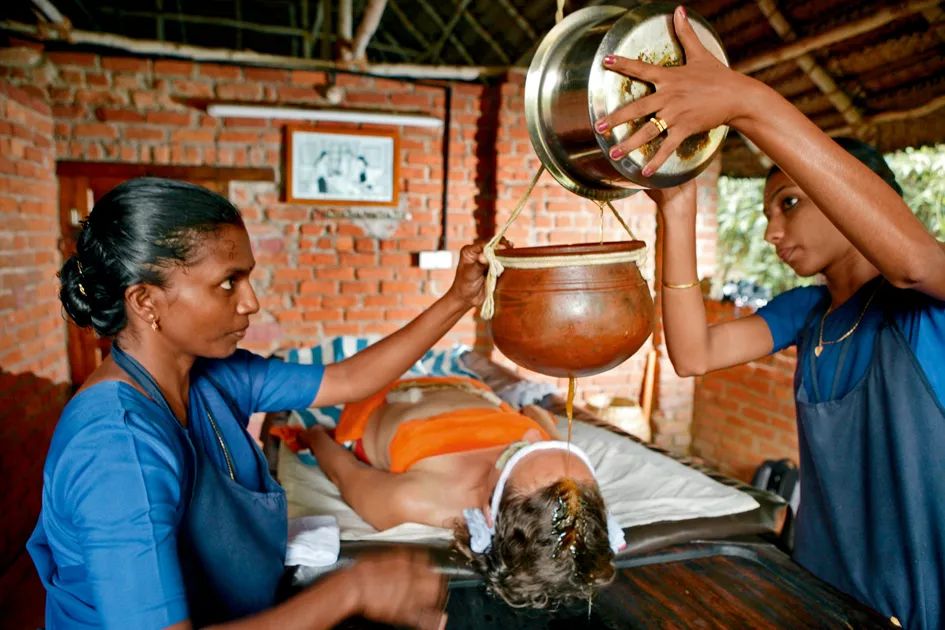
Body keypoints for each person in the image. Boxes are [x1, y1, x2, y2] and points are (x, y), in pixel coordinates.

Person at [594, 6, 945, 628]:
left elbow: (915, 263)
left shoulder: (923, 306)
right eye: (768, 210)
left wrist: (748, 102)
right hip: (822, 595)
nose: (771, 229)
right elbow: (692, 354)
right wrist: (676, 208)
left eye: (789, 203)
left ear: (855, 197)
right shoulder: (809, 313)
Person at [27, 177, 494, 629]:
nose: (251, 302)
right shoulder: (116, 450)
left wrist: (459, 299)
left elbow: (348, 379)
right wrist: (351, 590)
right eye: (228, 282)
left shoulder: (213, 375)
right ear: (146, 301)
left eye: (247, 277)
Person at [287, 376, 623, 610]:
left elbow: (342, 470)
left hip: (385, 390)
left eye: (518, 453)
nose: (535, 441)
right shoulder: (556, 479)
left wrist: (314, 435)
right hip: (469, 387)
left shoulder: (416, 498)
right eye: (551, 446)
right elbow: (535, 415)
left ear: (491, 511)